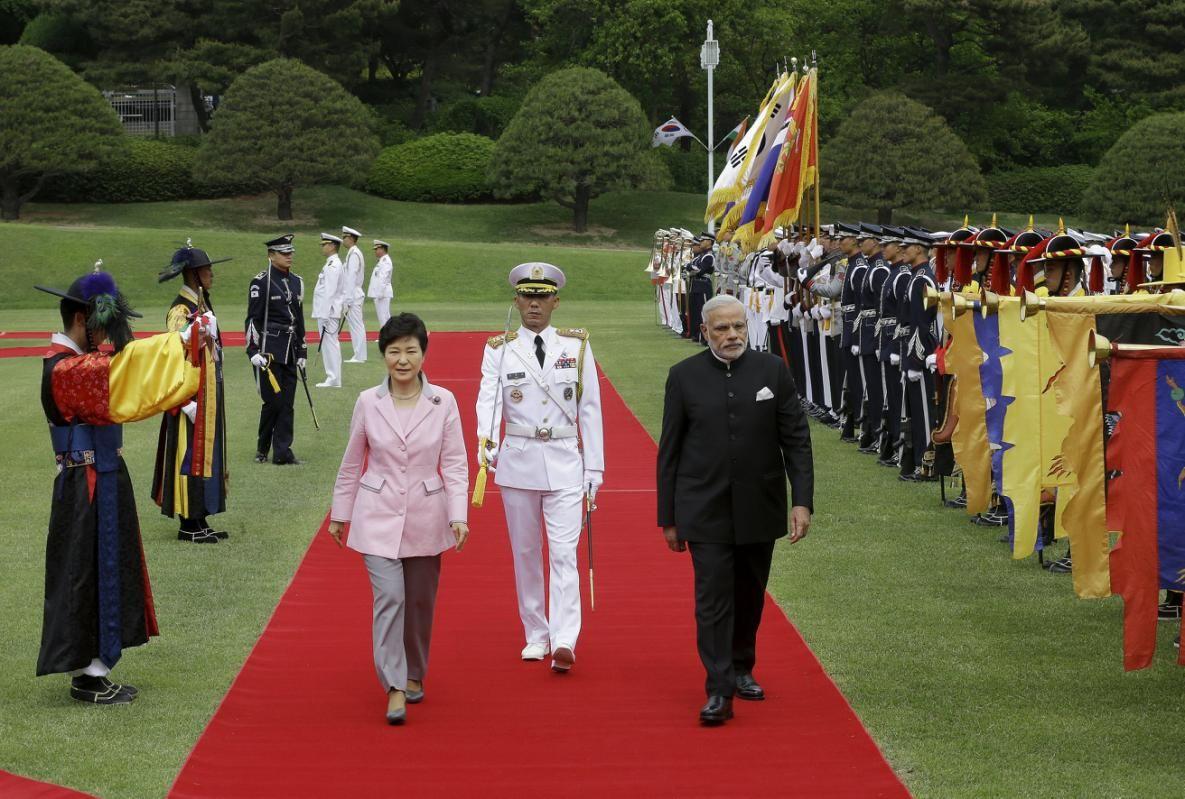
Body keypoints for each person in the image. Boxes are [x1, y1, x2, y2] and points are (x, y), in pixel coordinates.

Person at [37, 267, 211, 704]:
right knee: (87, 570)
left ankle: (93, 668)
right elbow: (129, 369)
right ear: (82, 322)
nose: (103, 336)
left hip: (99, 477)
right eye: (99, 326)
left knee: (101, 566)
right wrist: (183, 341)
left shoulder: (74, 365)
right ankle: (87, 675)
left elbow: (127, 366)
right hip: (87, 482)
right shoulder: (67, 370)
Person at [657, 293, 814, 725]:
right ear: (705, 331)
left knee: (749, 595)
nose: (732, 335)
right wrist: (668, 517)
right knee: (712, 600)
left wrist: (801, 500)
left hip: (759, 506)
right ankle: (718, 689)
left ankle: (742, 667)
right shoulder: (683, 377)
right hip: (702, 509)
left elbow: (796, 439)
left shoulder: (773, 371)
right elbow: (668, 451)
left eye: (738, 327)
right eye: (722, 328)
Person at [328, 313, 469, 725]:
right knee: (390, 597)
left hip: (428, 516)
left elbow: (456, 464)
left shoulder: (444, 402)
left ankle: (413, 672)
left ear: (423, 353)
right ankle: (393, 685)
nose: (402, 360)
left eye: (410, 350)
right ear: (383, 356)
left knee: (420, 603)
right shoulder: (368, 402)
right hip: (377, 514)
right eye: (394, 351)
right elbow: (353, 462)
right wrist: (341, 513)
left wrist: (459, 516)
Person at [474, 262, 604, 673]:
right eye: (527, 296)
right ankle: (536, 633)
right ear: (516, 300)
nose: (534, 304)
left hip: (566, 459)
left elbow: (591, 409)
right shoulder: (499, 348)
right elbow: (488, 399)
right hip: (519, 458)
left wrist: (594, 468)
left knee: (564, 552)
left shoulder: (576, 346)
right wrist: (486, 441)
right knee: (526, 552)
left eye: (542, 296)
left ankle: (565, 638)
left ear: (555, 302)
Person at [151, 242, 231, 543]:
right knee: (189, 456)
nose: (212, 274)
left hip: (208, 393)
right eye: (207, 269)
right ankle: (188, 522)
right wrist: (184, 401)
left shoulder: (202, 304)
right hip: (190, 396)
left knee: (206, 455)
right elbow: (174, 352)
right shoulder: (181, 310)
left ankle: (200, 517)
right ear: (194, 274)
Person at [245, 234, 307, 465]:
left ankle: (282, 452)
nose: (289, 256)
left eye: (291, 252)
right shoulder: (260, 282)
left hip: (290, 349)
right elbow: (253, 319)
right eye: (284, 252)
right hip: (269, 349)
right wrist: (253, 351)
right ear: (271, 255)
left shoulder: (297, 281)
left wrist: (302, 351)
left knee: (288, 403)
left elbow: (299, 319)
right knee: (273, 402)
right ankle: (263, 447)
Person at [312, 233, 345, 388]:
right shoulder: (331, 263)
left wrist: (324, 314)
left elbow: (330, 291)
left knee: (330, 344)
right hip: (329, 311)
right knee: (330, 344)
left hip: (329, 312)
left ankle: (333, 378)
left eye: (324, 244)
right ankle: (333, 377)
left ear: (332, 246)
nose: (322, 247)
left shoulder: (333, 265)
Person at [341, 225, 368, 363]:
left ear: (350, 238)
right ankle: (359, 354)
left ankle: (359, 355)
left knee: (356, 325)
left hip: (354, 293)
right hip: (353, 293)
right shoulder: (353, 252)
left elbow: (351, 276)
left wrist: (348, 298)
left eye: (344, 237)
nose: (342, 240)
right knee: (356, 325)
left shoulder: (354, 254)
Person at [368, 239, 394, 326]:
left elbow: (383, 278)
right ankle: (387, 336)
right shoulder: (382, 260)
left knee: (384, 318)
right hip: (380, 293)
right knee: (383, 317)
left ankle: (386, 338)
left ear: (382, 249)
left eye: (376, 249)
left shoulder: (386, 261)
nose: (375, 251)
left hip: (382, 294)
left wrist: (379, 294)